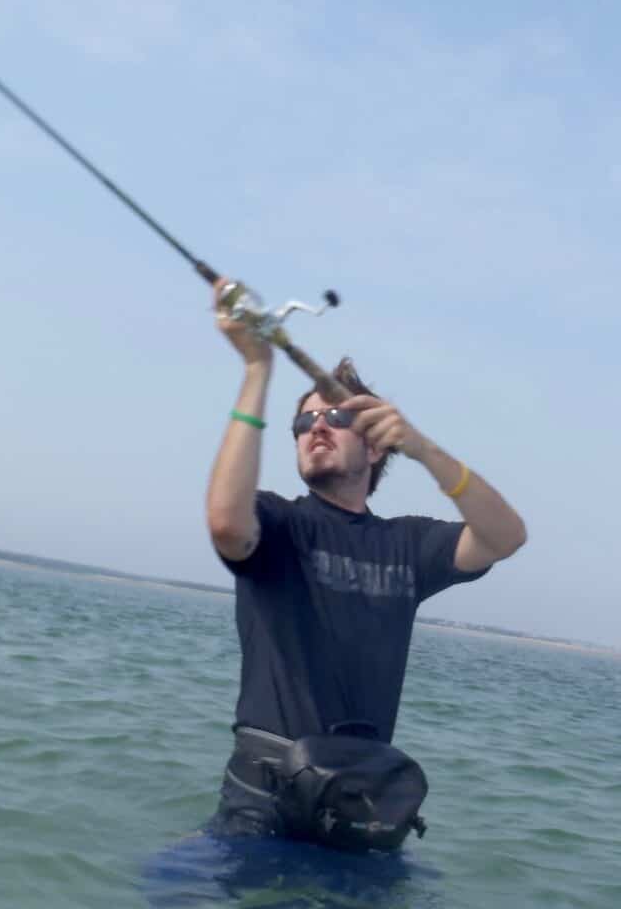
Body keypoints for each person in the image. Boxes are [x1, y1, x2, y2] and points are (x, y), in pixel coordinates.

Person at [204, 277, 527, 841]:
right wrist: (256, 371)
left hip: (362, 809)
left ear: (377, 445)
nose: (316, 428)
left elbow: (505, 536)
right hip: (262, 805)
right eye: (304, 422)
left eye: (335, 418)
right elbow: (227, 524)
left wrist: (423, 447)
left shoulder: (409, 546)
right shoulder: (278, 523)